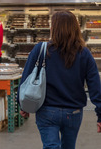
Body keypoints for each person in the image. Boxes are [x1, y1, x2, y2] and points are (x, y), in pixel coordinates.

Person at [20, 11, 101, 147]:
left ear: (54, 28)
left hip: (46, 109)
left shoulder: (41, 49)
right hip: (73, 111)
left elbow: (26, 78)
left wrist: (23, 104)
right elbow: (95, 86)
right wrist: (100, 114)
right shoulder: (84, 53)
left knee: (50, 146)